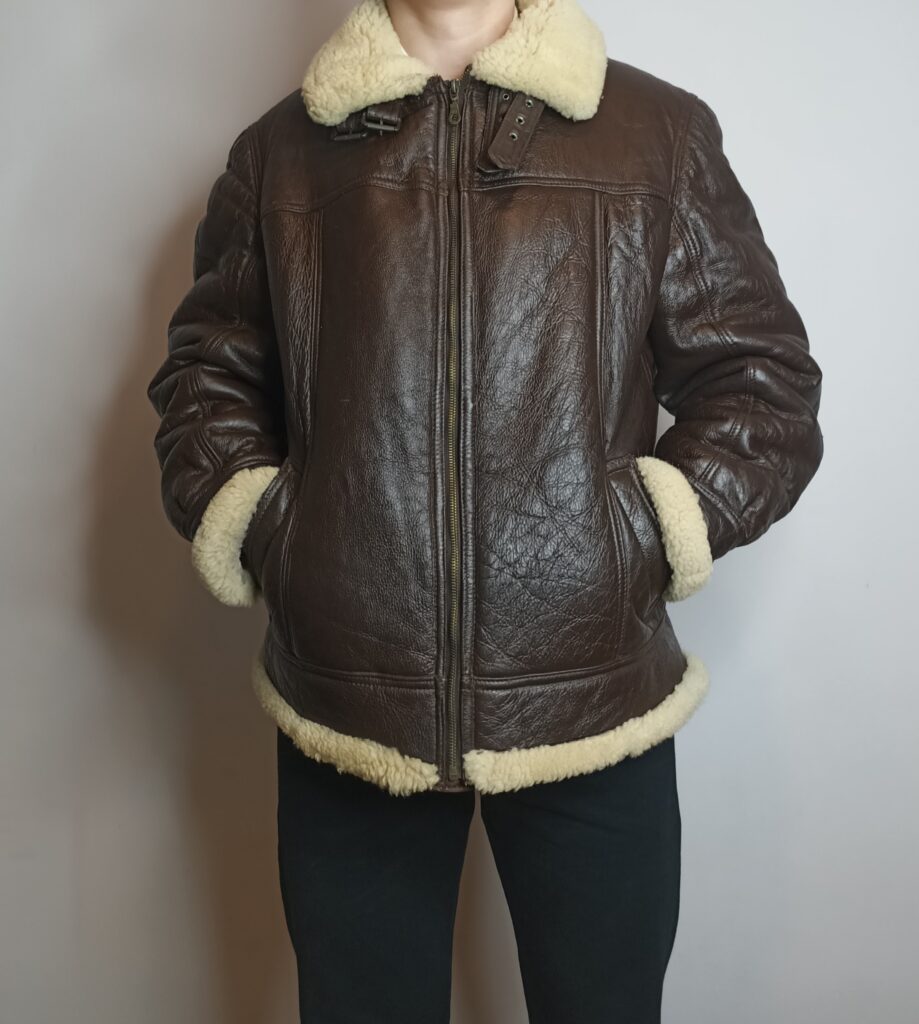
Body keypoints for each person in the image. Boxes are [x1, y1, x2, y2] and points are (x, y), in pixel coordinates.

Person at [146, 0, 825, 1020]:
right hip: (348, 699)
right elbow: (206, 384)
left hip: (592, 695)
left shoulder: (657, 135)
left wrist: (639, 533)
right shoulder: (279, 156)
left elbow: (761, 385)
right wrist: (279, 531)